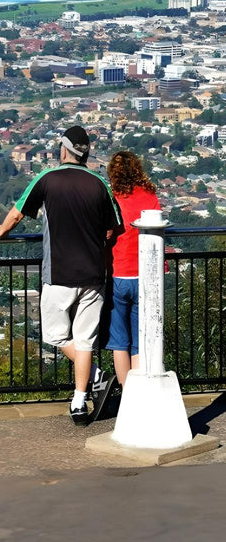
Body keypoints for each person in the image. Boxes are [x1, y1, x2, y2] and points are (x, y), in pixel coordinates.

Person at [0, 125, 121, 425]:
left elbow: (17, 212)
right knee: (85, 340)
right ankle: (79, 402)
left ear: (63, 150)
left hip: (59, 272)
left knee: (56, 335)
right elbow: (111, 229)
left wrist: (2, 230)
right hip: (93, 274)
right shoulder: (99, 184)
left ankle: (97, 376)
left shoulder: (47, 179)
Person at [102, 150, 160, 385]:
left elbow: (106, 231)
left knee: (119, 341)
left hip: (119, 272)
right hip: (147, 274)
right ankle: (140, 393)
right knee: (139, 341)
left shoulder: (113, 197)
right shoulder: (149, 194)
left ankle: (128, 395)